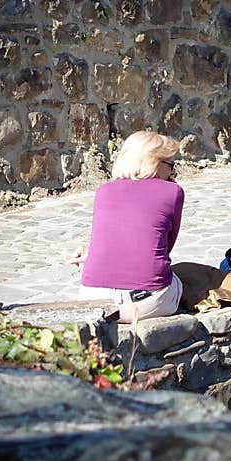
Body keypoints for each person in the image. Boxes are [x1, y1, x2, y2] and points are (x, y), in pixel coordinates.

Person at [71, 130, 184, 324]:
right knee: (179, 282)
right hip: (146, 303)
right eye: (171, 165)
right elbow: (165, 247)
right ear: (155, 163)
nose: (172, 172)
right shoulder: (173, 191)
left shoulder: (104, 191)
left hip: (92, 299)